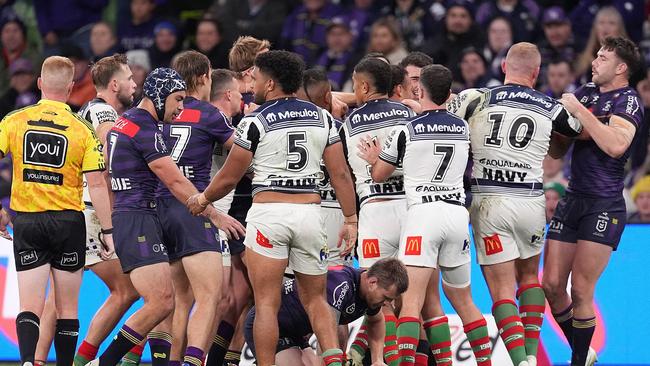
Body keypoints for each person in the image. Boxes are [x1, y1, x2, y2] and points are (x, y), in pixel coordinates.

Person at [187, 50, 357, 366]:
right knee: (316, 300)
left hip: (269, 216)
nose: (255, 84)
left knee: (266, 303)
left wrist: (203, 199)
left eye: (259, 78)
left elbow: (228, 178)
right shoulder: (323, 118)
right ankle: (334, 361)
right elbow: (341, 174)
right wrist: (351, 219)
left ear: (270, 84)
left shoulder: (255, 120)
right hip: (310, 214)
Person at [448, 42, 582, 366]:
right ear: (536, 74)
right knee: (529, 279)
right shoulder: (550, 107)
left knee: (501, 289)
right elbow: (573, 133)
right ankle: (532, 356)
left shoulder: (477, 97)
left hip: (490, 200)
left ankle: (520, 360)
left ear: (504, 67)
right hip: (531, 202)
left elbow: (445, 118)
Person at [359, 64, 493, 366]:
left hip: (423, 215)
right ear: (449, 93)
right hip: (458, 215)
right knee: (464, 301)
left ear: (419, 91)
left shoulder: (407, 130)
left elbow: (380, 175)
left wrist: (372, 160)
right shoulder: (462, 127)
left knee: (411, 302)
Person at [89, 67, 219, 366]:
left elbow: (106, 176)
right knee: (160, 300)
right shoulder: (144, 128)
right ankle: (104, 362)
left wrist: (111, 225)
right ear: (159, 97)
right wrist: (214, 213)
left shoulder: (126, 122)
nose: (181, 108)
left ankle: (105, 361)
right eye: (177, 100)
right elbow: (173, 180)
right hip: (137, 219)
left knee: (163, 301)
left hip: (133, 217)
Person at [0, 56, 114, 366]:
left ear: (39, 83)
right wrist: (108, 231)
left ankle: (26, 361)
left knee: (30, 306)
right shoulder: (84, 129)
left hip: (28, 221)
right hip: (68, 222)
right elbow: (98, 184)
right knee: (67, 309)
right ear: (72, 87)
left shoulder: (13, 120)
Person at [543, 36, 644, 366]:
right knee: (553, 285)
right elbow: (559, 151)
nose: (594, 62)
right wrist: (559, 128)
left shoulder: (628, 101)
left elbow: (615, 145)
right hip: (573, 198)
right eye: (596, 55)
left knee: (582, 289)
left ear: (621, 67)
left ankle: (577, 362)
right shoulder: (585, 93)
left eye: (603, 58)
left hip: (604, 204)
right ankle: (583, 353)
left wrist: (580, 113)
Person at [162, 51, 245, 366]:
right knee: (212, 298)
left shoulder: (163, 113)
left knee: (180, 301)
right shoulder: (210, 115)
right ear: (203, 78)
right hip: (194, 209)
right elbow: (243, 152)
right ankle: (194, 362)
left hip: (161, 208)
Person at [341, 57, 414, 366]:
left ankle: (367, 356)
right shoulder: (410, 115)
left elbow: (342, 173)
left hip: (373, 211)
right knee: (412, 302)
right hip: (412, 210)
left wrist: (350, 219)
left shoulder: (349, 123)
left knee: (380, 301)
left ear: (365, 86)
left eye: (356, 86)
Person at [204, 36, 270, 366]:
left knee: (246, 294)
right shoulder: (233, 109)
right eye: (265, 60)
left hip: (245, 205)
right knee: (228, 296)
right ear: (249, 70)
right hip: (233, 206)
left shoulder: (252, 104)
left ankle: (226, 358)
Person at [244, 259, 409, 366]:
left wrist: (377, 359)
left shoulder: (372, 295)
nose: (387, 303)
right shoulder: (341, 284)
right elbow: (328, 330)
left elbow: (376, 321)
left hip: (296, 334)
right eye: (386, 297)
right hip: (269, 325)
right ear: (373, 282)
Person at [207, 69, 248, 366]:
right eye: (239, 92)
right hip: (209, 216)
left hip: (218, 216)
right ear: (227, 95)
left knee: (232, 300)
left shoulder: (204, 118)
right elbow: (248, 159)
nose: (243, 97)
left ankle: (218, 361)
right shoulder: (216, 120)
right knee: (214, 302)